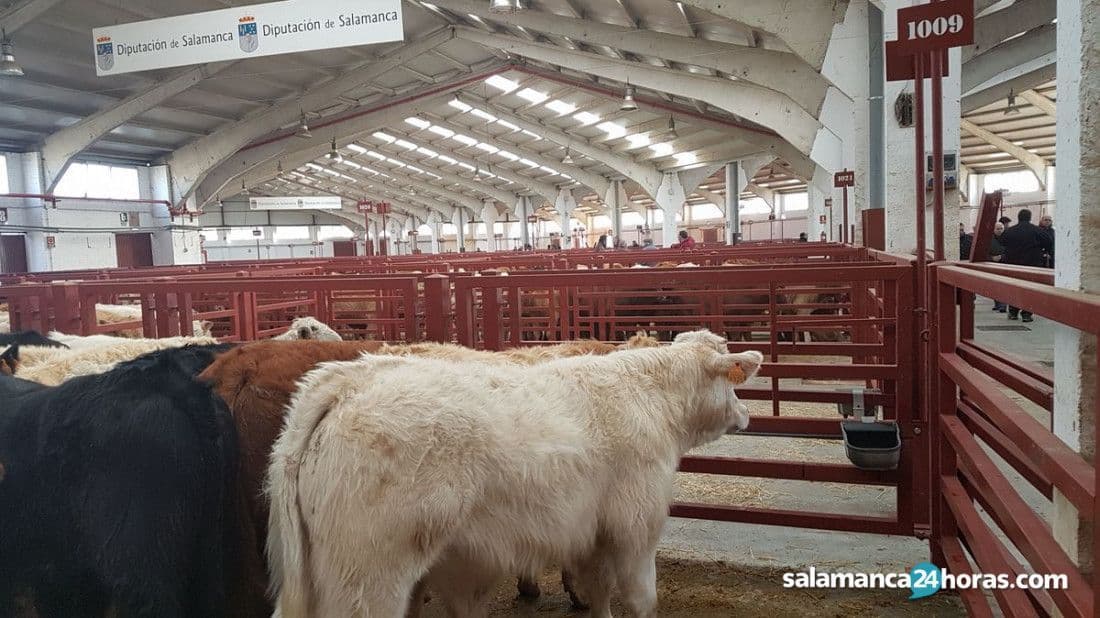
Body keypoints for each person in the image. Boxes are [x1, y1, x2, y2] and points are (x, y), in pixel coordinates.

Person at [999, 209, 1053, 322]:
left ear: (1018, 217)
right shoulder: (1037, 231)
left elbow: (1002, 242)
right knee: (1029, 289)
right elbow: (1049, 242)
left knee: (1014, 288)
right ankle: (1026, 314)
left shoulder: (1010, 231)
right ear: (1030, 217)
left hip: (1013, 265)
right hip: (1032, 265)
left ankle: (1013, 312)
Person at [990, 222, 1007, 312]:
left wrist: (1002, 257)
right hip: (992, 264)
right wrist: (991, 258)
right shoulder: (989, 240)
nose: (1000, 230)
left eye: (1001, 228)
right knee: (994, 285)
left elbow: (1011, 251)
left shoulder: (1007, 238)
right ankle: (997, 304)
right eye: (998, 229)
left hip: (1005, 263)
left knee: (1003, 285)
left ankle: (1002, 305)